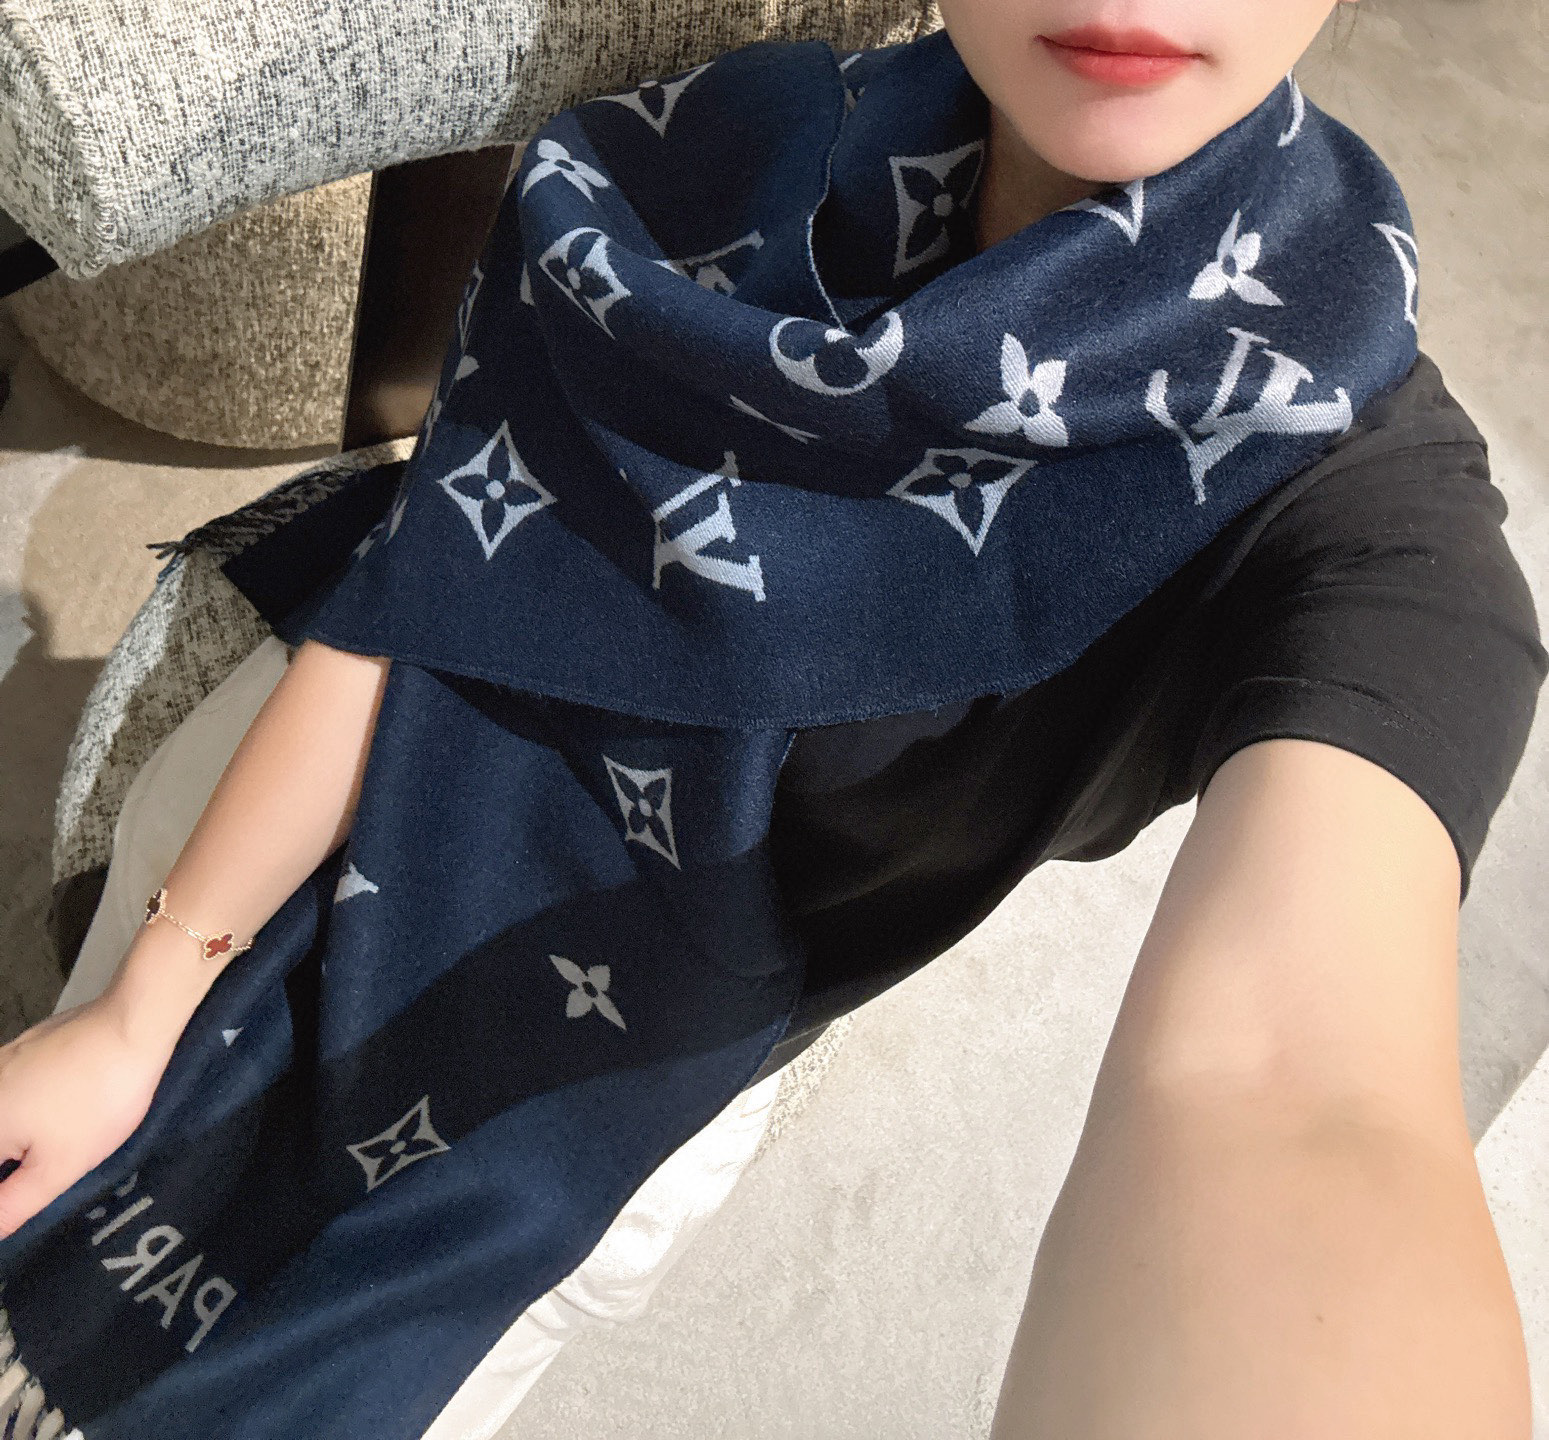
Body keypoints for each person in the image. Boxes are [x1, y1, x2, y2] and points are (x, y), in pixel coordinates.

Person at [0, 1, 1543, 1436]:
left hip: (592, 1117)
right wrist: (141, 1006)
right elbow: (435, 575)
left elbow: (1290, 1092)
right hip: (255, 830)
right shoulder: (693, 160)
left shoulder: (1346, 503)